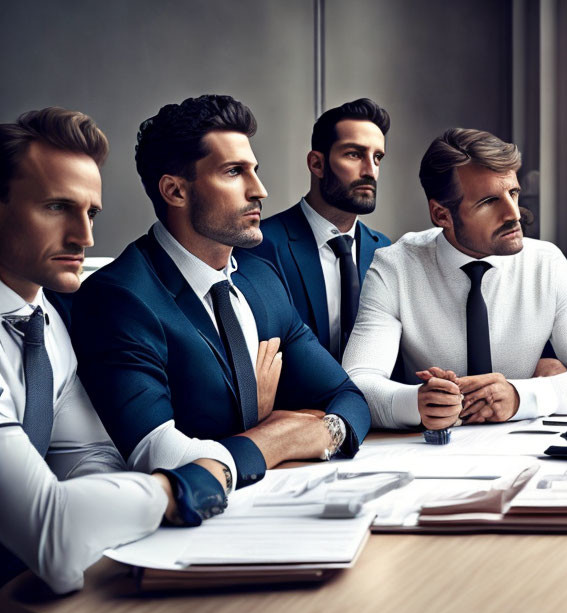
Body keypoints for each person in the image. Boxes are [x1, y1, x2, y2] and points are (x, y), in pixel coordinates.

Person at [0, 107, 232, 613]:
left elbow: (91, 458)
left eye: (91, 212)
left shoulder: (45, 320)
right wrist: (176, 488)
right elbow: (54, 537)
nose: (86, 238)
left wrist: (109, 504)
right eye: (57, 208)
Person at [70, 95, 370, 491]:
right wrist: (274, 437)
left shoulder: (261, 278)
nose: (259, 190)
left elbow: (347, 395)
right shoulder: (118, 298)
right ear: (175, 191)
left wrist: (327, 430)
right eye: (234, 172)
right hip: (182, 530)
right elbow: (159, 454)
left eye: (255, 170)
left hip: (277, 502)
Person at [342, 127, 567, 429]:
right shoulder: (395, 267)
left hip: (526, 448)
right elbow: (357, 383)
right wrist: (416, 403)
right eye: (488, 202)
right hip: (431, 454)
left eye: (512, 193)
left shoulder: (547, 264)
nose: (513, 214)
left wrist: (519, 396)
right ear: (441, 215)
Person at [254, 98, 391, 360]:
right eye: (354, 154)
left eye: (377, 157)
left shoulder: (385, 251)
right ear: (317, 164)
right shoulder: (262, 246)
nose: (370, 171)